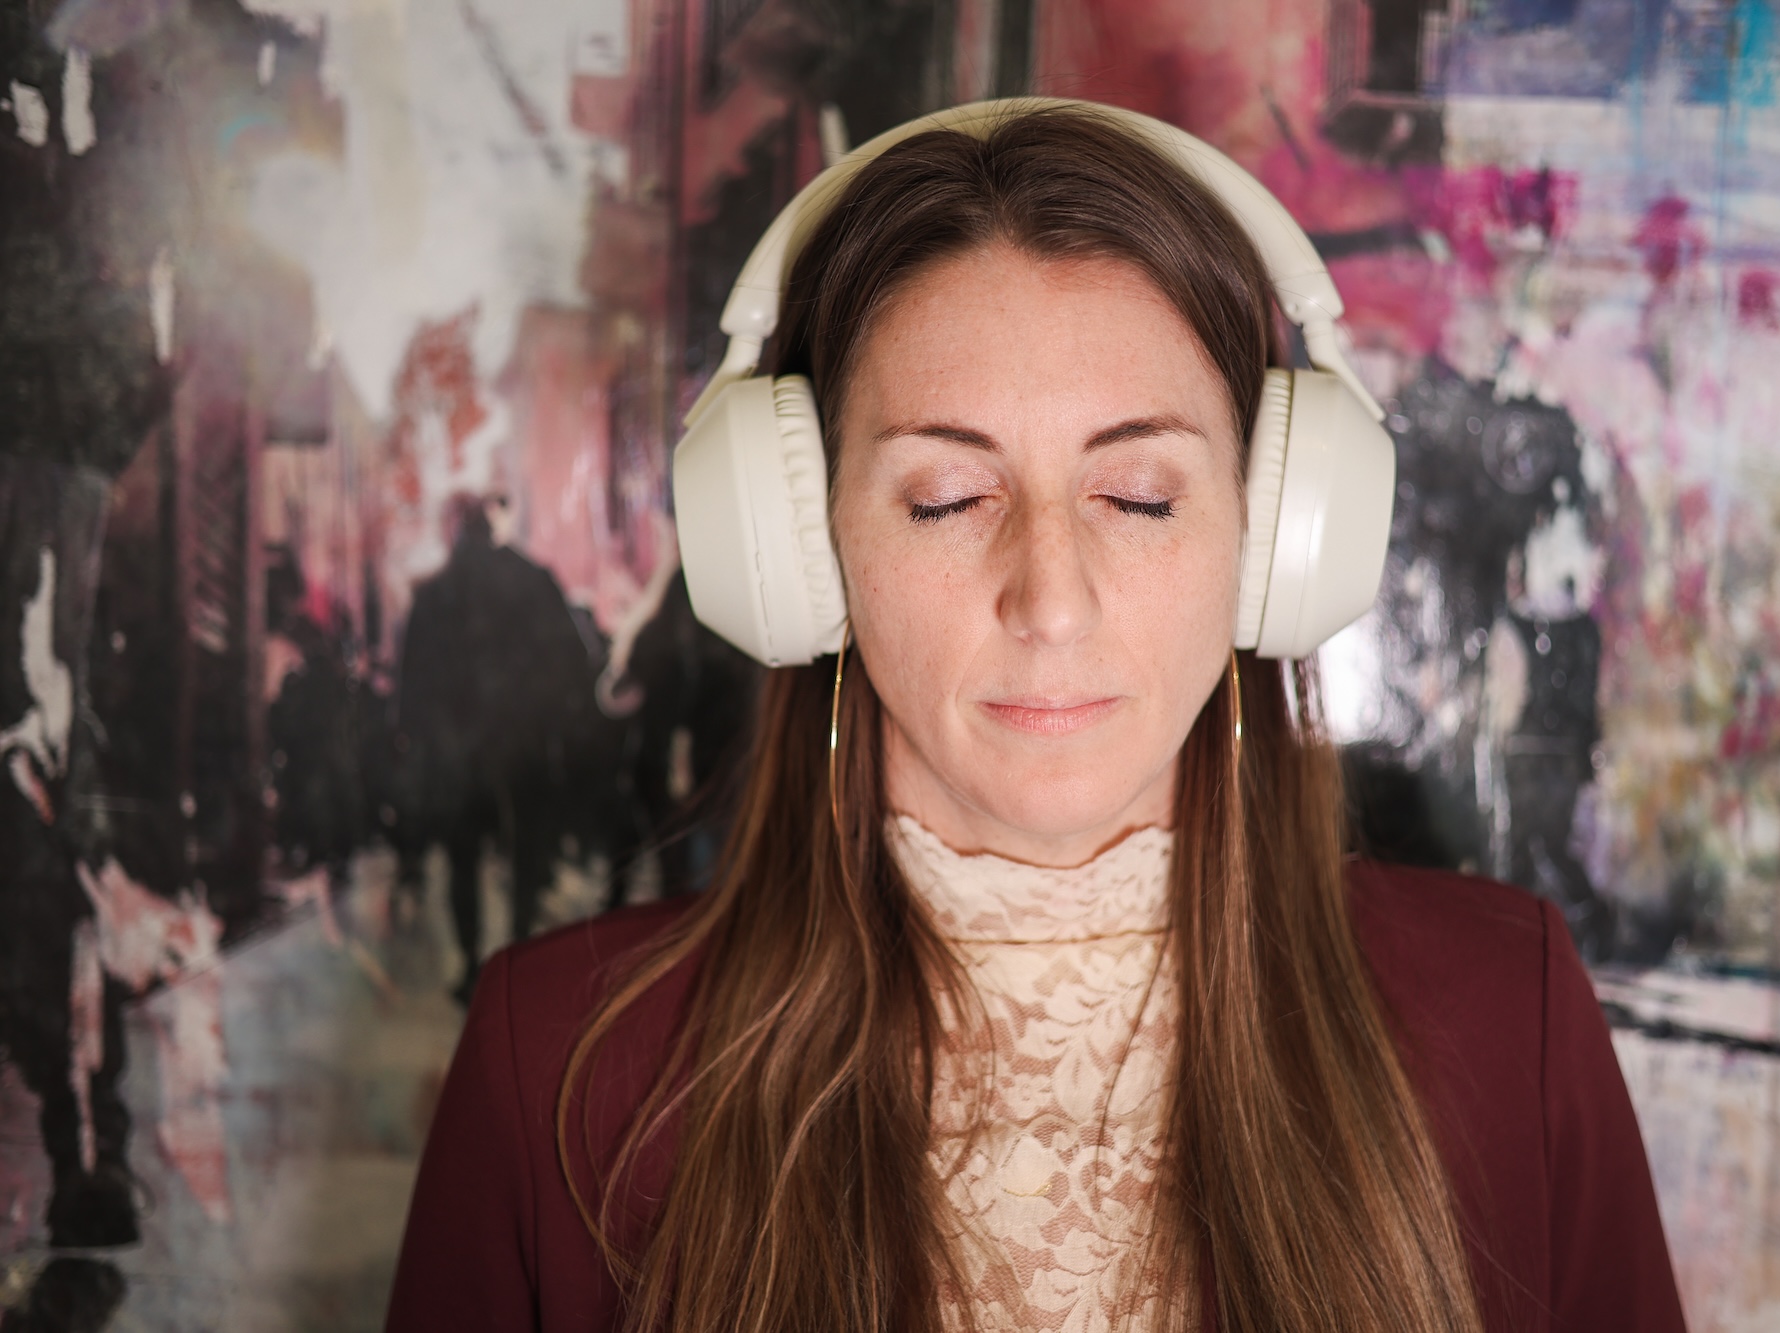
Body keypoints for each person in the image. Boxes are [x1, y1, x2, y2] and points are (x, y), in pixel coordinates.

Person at [386, 101, 1685, 1332]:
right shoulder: (551, 1068)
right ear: (802, 551)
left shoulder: (1511, 1013)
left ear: (1277, 539)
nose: (1050, 602)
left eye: (1138, 495)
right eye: (947, 497)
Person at [395, 493, 596, 1001]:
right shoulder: (534, 581)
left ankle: (470, 966)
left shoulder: (436, 594)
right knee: (526, 850)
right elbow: (575, 661)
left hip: (459, 751)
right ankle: (521, 951)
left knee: (463, 858)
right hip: (524, 741)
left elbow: (413, 689)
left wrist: (426, 745)